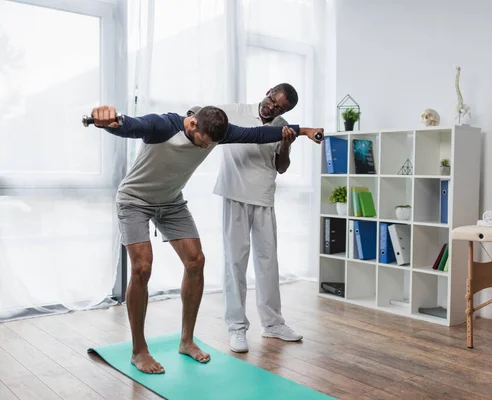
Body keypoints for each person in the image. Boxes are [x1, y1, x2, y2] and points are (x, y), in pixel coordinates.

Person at [89, 105, 323, 374]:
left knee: (196, 261)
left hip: (171, 201)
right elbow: (131, 125)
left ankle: (186, 341)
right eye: (203, 142)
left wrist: (303, 131)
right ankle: (139, 351)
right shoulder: (163, 126)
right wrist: (107, 121)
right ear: (192, 126)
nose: (205, 148)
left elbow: (258, 133)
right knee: (142, 267)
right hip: (134, 201)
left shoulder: (218, 133)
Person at [191, 83, 303, 353]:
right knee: (235, 262)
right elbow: (199, 113)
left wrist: (286, 145)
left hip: (264, 196)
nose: (272, 108)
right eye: (272, 101)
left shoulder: (282, 125)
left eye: (280, 108)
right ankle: (237, 327)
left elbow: (282, 167)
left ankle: (273, 324)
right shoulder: (236, 111)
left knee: (268, 263)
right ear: (268, 91)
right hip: (235, 194)